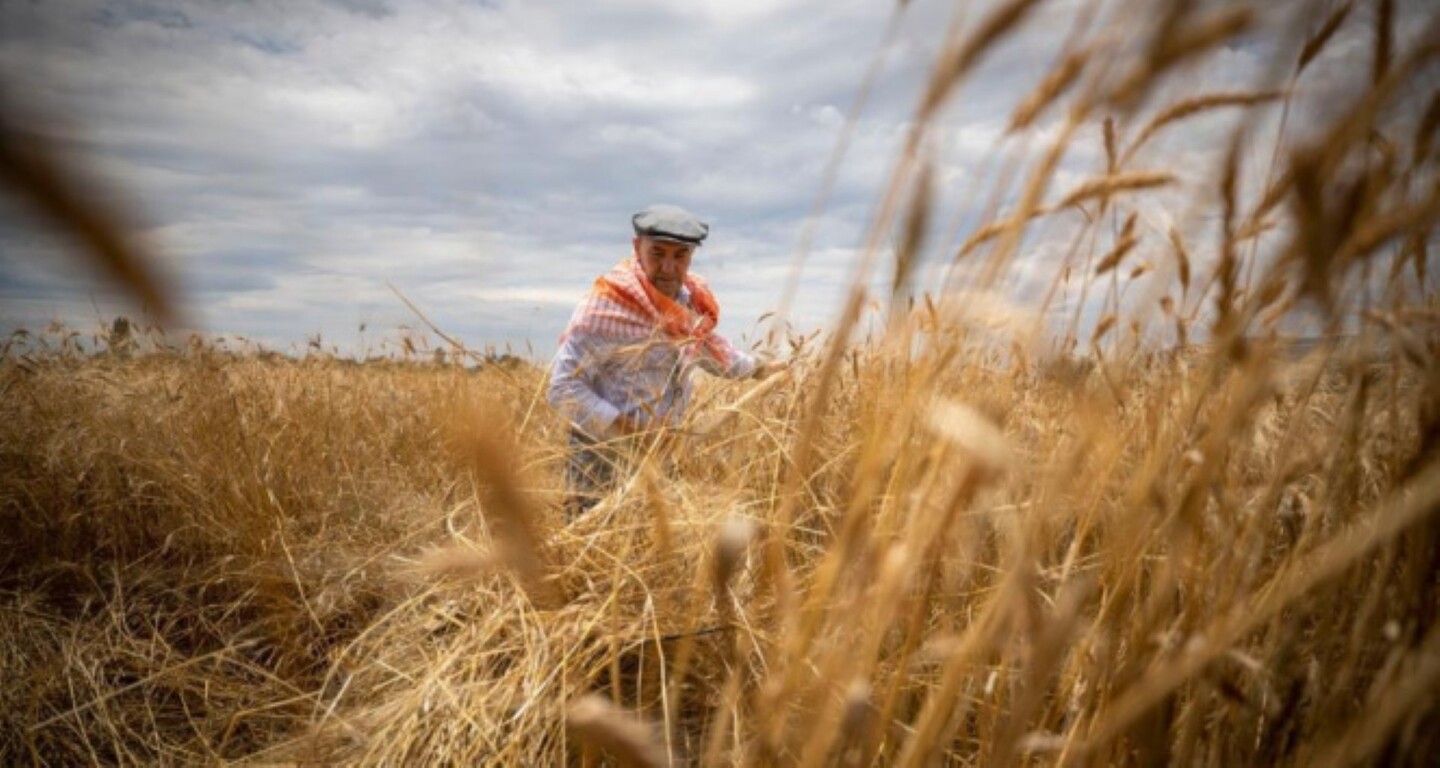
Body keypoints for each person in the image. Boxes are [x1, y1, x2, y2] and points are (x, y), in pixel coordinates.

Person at [548, 204, 785, 518]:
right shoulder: (605, 306)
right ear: (637, 248)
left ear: (691, 257)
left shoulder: (686, 302)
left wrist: (760, 369)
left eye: (680, 256)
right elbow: (562, 388)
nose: (669, 268)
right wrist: (628, 432)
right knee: (589, 553)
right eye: (657, 254)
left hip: (663, 455)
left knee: (649, 555)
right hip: (600, 460)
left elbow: (711, 351)